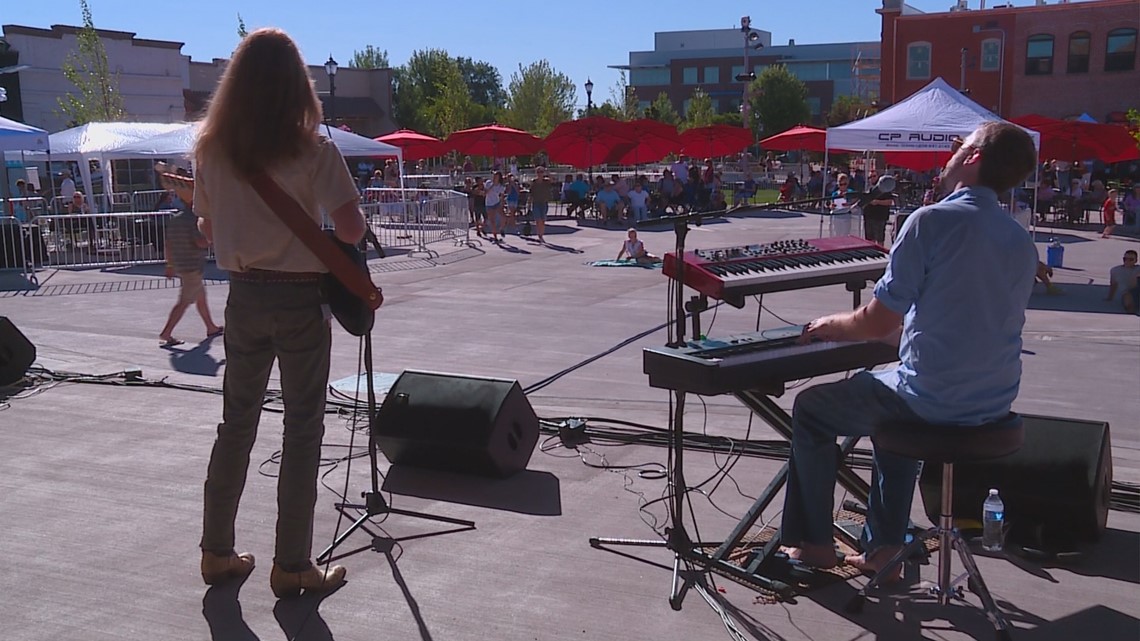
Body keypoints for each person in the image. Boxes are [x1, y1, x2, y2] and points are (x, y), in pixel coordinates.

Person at [779, 122, 1039, 578]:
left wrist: (827, 327)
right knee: (891, 401)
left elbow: (877, 322)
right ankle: (884, 550)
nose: (951, 153)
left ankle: (814, 544)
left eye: (959, 146)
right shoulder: (1020, 239)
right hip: (995, 404)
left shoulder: (931, 221)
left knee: (812, 409)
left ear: (974, 158)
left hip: (933, 402)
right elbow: (964, 322)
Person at [193, 27, 366, 598]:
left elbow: (208, 228)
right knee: (302, 429)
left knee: (236, 424)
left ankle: (216, 553)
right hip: (297, 299)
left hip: (242, 295)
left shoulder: (212, 148)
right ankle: (292, 564)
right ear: (298, 84)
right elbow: (350, 229)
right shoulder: (313, 149)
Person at [157, 170, 224, 347]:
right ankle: (166, 332)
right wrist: (212, 238)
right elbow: (200, 242)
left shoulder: (176, 218)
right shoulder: (194, 219)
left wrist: (169, 265)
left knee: (200, 296)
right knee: (184, 302)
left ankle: (210, 327)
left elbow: (168, 244)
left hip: (181, 264)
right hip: (192, 266)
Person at [527, 166, 553, 243]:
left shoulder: (546, 181)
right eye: (538, 172)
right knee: (538, 220)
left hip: (544, 202)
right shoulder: (534, 182)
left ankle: (541, 233)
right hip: (536, 202)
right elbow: (531, 193)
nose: (540, 174)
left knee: (543, 220)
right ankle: (540, 236)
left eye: (541, 172)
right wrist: (529, 203)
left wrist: (548, 172)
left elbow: (552, 180)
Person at [483, 171, 506, 241]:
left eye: (496, 176)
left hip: (496, 202)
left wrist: (502, 204)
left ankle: (501, 228)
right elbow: (485, 193)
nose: (494, 178)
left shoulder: (500, 186)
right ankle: (495, 236)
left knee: (503, 216)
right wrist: (492, 185)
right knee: (492, 220)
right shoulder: (488, 183)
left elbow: (502, 196)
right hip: (489, 203)